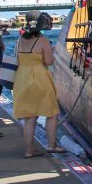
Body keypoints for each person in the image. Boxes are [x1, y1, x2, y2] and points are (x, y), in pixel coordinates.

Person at [12, 15, 62, 158]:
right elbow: (49, 61)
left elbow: (17, 58)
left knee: (29, 117)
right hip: (39, 78)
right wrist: (50, 51)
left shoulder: (20, 40)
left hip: (22, 78)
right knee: (51, 114)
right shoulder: (43, 40)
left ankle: (29, 151)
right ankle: (52, 145)